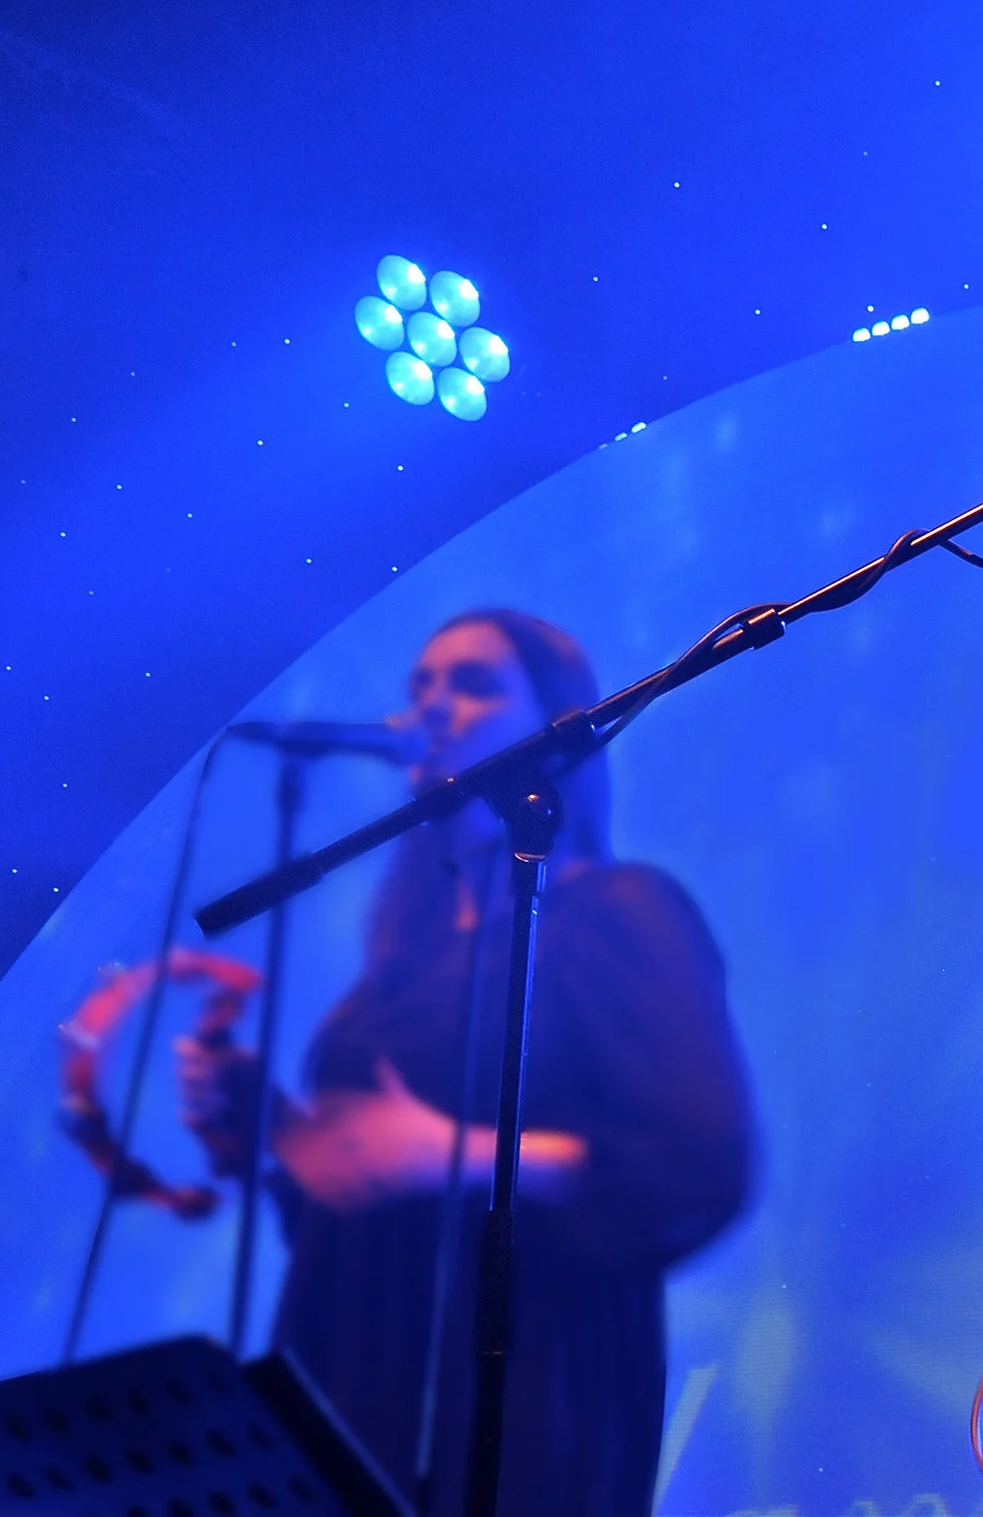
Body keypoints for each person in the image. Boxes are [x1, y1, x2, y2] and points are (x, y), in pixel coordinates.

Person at [178, 609, 755, 1515]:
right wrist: (275, 1129)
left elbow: (696, 1163)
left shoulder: (617, 911)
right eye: (421, 686)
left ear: (558, 725)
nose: (434, 705)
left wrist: (447, 1151)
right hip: (355, 1368)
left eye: (474, 683)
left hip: (523, 1383)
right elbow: (377, 1210)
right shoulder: (401, 963)